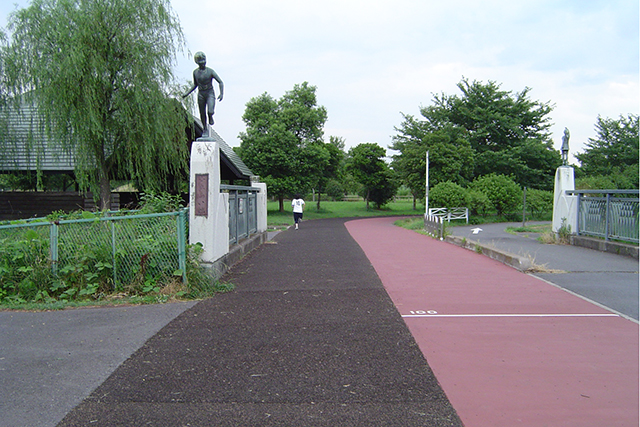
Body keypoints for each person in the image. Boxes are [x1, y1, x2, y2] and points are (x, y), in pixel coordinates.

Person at [182, 51, 224, 137]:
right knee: (202, 112)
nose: (203, 62)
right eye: (200, 61)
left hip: (209, 93)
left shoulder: (210, 71)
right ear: (197, 62)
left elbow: (220, 82)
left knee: (210, 110)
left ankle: (210, 116)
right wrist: (186, 93)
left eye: (204, 60)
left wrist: (221, 93)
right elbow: (195, 84)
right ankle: (205, 129)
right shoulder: (195, 72)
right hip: (201, 94)